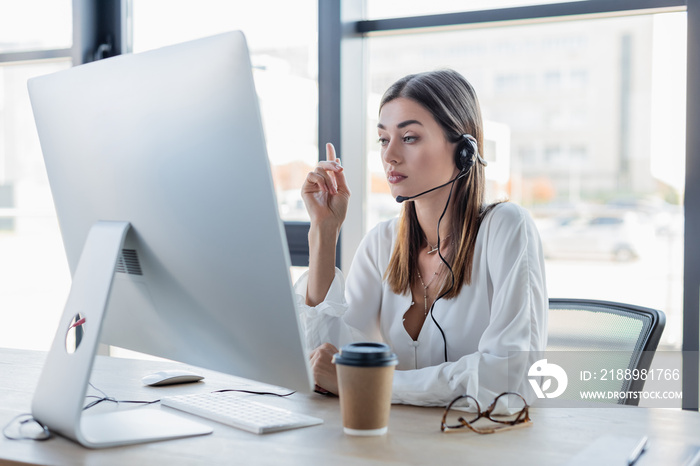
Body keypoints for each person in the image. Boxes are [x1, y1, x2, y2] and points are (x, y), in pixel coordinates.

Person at [295, 69, 548, 408]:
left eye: (409, 137)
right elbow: (325, 361)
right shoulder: (382, 243)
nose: (389, 155)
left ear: (464, 151)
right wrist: (324, 233)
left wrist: (371, 383)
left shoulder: (506, 228)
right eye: (384, 139)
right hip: (398, 444)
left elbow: (508, 380)